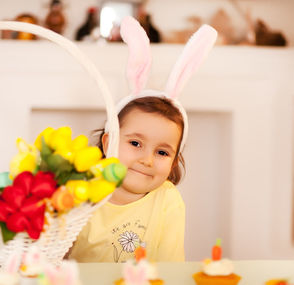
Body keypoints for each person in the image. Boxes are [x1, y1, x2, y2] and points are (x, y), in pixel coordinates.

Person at [68, 16, 217, 262]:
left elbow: (171, 268)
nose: (147, 160)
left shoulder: (167, 200)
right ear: (108, 143)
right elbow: (55, 259)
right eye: (135, 143)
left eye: (162, 152)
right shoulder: (82, 191)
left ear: (174, 160)